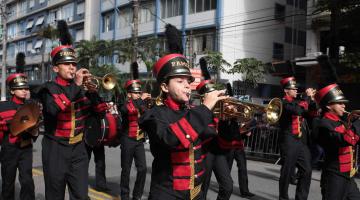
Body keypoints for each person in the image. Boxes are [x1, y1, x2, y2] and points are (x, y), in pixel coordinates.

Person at [139, 53, 227, 200]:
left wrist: (225, 118)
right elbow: (170, 138)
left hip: (195, 192)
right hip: (167, 193)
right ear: (165, 87)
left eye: (188, 81)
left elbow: (212, 139)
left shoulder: (192, 112)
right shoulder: (154, 115)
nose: (187, 85)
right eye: (180, 81)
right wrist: (204, 109)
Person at [37, 44, 107, 199]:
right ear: (56, 68)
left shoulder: (82, 89)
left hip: (79, 149)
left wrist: (93, 93)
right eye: (67, 64)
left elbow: (101, 112)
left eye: (74, 64)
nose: (72, 68)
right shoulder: (48, 89)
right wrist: (76, 84)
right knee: (55, 195)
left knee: (81, 195)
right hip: (55, 148)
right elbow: (53, 109)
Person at [314, 84, 360, 200]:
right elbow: (346, 139)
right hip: (334, 177)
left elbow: (355, 140)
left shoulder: (342, 122)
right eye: (340, 103)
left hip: (348, 176)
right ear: (329, 106)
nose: (344, 106)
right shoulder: (323, 124)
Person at [278, 76, 317, 200]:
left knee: (307, 170)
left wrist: (312, 101)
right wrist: (306, 97)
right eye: (293, 89)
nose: (296, 91)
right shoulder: (282, 102)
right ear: (286, 90)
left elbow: (310, 114)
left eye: (296, 89)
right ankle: (283, 198)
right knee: (287, 171)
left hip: (301, 141)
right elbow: (297, 111)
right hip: (288, 140)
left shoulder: (298, 101)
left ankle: (301, 198)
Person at [0, 73, 36, 200]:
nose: (25, 91)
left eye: (26, 88)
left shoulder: (31, 105)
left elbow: (36, 128)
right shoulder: (3, 107)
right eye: (21, 88)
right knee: (8, 182)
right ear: (12, 91)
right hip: (9, 149)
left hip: (26, 148)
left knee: (27, 182)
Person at [196, 80, 234, 200]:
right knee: (202, 189)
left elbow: (228, 137)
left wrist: (227, 119)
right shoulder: (198, 112)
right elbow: (204, 132)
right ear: (204, 98)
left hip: (218, 151)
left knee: (228, 186)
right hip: (204, 151)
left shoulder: (221, 112)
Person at [119, 79, 150, 200]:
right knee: (126, 170)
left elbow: (148, 116)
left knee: (142, 169)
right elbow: (127, 110)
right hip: (127, 140)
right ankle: (124, 196)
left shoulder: (141, 104)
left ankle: (137, 196)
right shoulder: (123, 104)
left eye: (139, 92)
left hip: (139, 141)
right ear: (129, 94)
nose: (138, 94)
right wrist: (141, 99)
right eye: (135, 93)